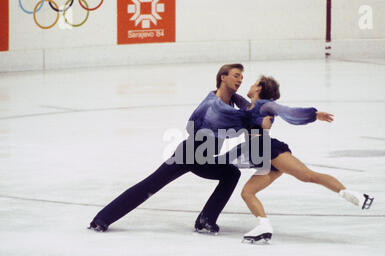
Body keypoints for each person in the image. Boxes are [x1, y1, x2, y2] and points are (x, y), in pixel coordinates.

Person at [88, 64, 272, 233]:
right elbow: (193, 124)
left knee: (231, 173)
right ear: (223, 78)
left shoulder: (232, 99)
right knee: (150, 185)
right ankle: (101, 219)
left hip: (206, 157)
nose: (240, 80)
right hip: (190, 153)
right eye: (236, 76)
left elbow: (250, 112)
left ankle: (205, 220)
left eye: (241, 77)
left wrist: (257, 102)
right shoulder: (212, 104)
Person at [218, 75, 374, 243]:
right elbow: (236, 98)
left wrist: (313, 115)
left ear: (259, 88)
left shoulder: (266, 105)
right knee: (247, 192)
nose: (250, 85)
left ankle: (350, 193)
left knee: (308, 176)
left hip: (269, 150)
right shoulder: (250, 106)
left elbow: (289, 112)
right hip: (261, 155)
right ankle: (264, 226)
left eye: (254, 83)